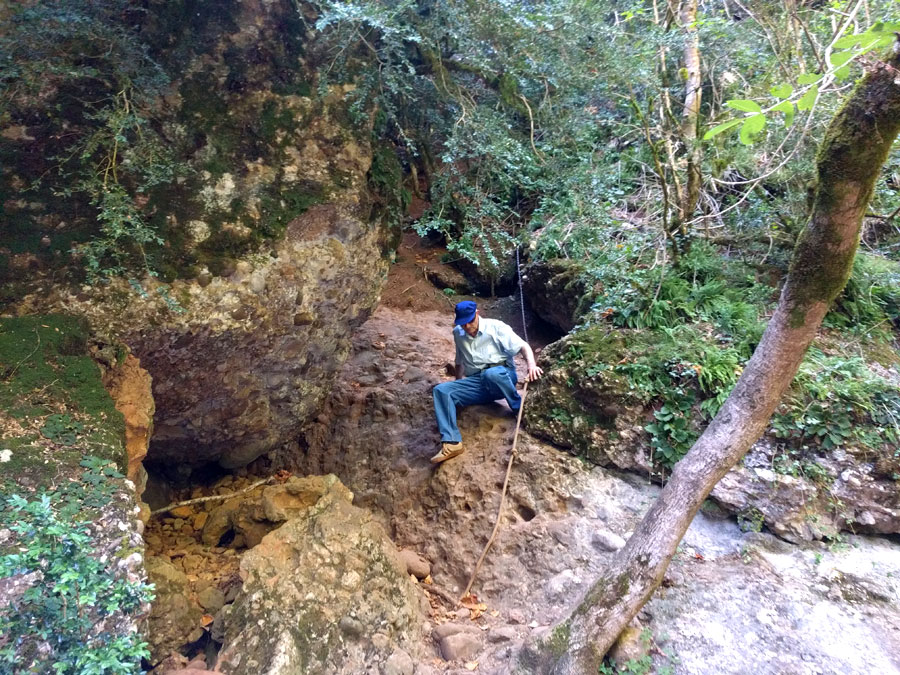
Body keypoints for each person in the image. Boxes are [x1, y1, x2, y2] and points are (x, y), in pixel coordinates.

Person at [431, 300, 543, 463]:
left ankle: (519, 408)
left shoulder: (496, 327)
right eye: (463, 323)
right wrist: (458, 385)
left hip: (502, 375)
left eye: (470, 321)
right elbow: (459, 361)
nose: (467, 326)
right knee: (441, 390)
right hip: (478, 381)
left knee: (491, 374)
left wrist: (531, 366)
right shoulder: (458, 333)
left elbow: (523, 346)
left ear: (477, 314)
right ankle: (452, 442)